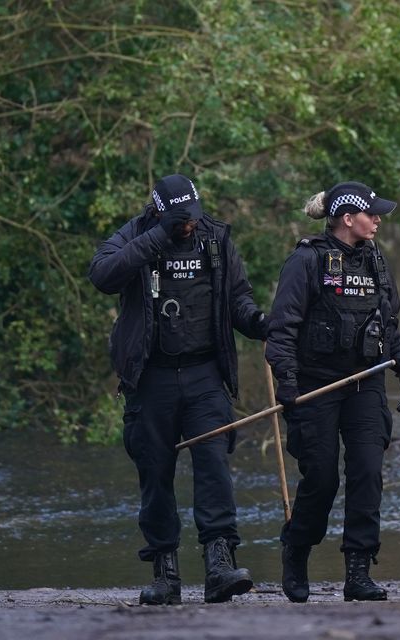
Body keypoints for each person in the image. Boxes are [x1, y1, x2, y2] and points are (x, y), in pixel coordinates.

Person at [88, 174, 268, 605]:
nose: (188, 225)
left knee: (213, 464)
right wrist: (155, 238)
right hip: (150, 378)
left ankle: (220, 566)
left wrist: (261, 324)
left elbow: (237, 298)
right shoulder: (135, 234)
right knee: (155, 474)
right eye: (179, 219)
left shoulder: (216, 238)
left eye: (192, 217)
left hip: (205, 374)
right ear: (158, 211)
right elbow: (102, 276)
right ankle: (165, 574)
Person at [265, 181, 400, 603]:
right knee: (323, 478)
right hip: (315, 386)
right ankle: (297, 549)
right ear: (348, 218)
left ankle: (359, 571)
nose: (379, 219)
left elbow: (389, 321)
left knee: (368, 470)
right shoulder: (306, 261)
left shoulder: (376, 262)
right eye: (372, 213)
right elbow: (282, 327)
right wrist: (287, 382)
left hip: (365, 381)